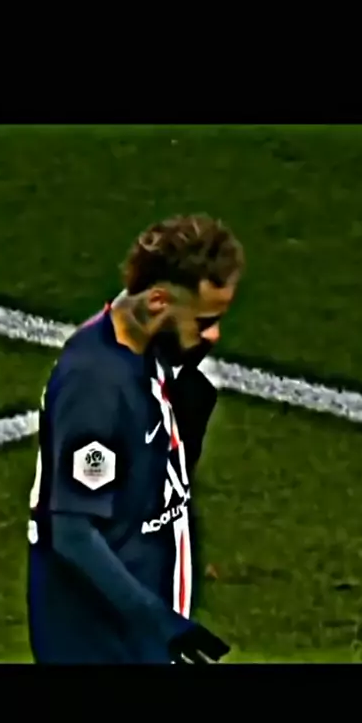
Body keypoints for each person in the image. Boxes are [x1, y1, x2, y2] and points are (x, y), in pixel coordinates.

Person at [26, 214, 244, 664]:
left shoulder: (150, 349)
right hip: (99, 640)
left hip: (140, 632)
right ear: (158, 299)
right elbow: (73, 533)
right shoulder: (96, 385)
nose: (214, 334)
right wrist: (161, 624)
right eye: (204, 320)